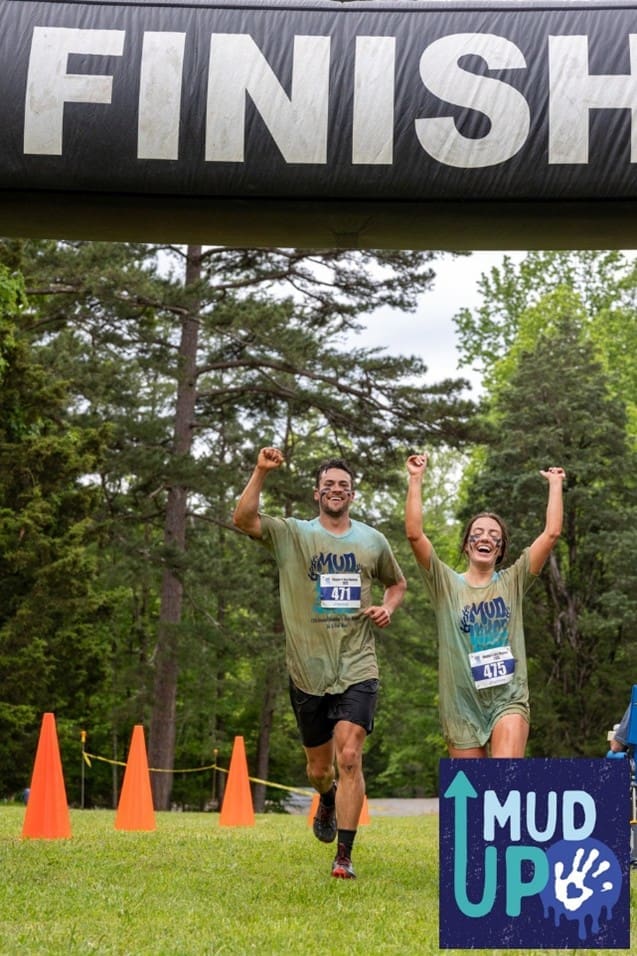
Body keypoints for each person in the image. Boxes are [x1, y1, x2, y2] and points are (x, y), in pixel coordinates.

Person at [233, 447, 406, 879]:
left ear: (352, 495)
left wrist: (388, 608)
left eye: (343, 485)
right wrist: (261, 470)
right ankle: (326, 798)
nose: (336, 490)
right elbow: (244, 519)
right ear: (317, 493)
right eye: (328, 484)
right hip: (308, 671)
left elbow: (397, 584)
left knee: (349, 756)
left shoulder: (372, 541)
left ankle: (343, 857)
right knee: (319, 769)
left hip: (357, 664)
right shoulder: (293, 534)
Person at [405, 452, 565, 758]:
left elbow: (551, 534)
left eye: (494, 535)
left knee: (503, 778)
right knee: (476, 788)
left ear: (500, 549)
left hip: (508, 697)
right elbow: (414, 535)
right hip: (461, 705)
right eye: (477, 533)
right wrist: (415, 479)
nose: (485, 537)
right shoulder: (446, 584)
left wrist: (555, 484)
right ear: (467, 545)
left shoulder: (513, 580)